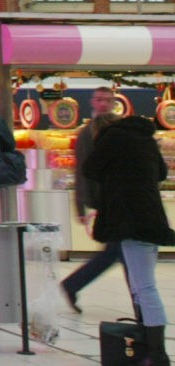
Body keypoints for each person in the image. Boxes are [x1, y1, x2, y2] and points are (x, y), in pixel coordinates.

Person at [82, 111, 175, 366]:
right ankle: (148, 345)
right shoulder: (144, 138)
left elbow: (90, 168)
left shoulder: (111, 139)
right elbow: (161, 173)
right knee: (139, 285)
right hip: (152, 217)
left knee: (144, 287)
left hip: (130, 220)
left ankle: (158, 354)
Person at [62, 87, 122, 311]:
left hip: (116, 200)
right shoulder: (87, 133)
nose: (104, 103)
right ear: (92, 102)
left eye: (108, 100)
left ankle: (72, 284)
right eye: (99, 99)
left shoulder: (118, 128)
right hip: (107, 201)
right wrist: (80, 204)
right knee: (118, 252)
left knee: (117, 252)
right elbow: (81, 171)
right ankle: (72, 284)